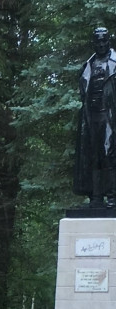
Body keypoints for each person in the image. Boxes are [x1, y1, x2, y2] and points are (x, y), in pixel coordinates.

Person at [74, 27, 116, 208]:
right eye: (97, 41)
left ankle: (113, 196)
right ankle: (96, 196)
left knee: (110, 154)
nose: (100, 44)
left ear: (109, 41)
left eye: (104, 41)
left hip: (111, 116)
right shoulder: (88, 65)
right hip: (91, 116)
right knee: (94, 155)